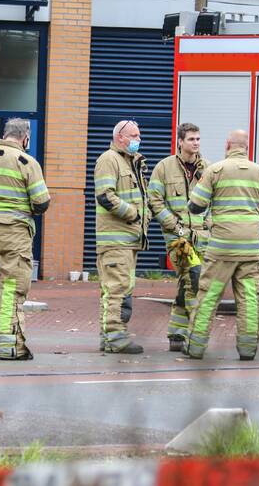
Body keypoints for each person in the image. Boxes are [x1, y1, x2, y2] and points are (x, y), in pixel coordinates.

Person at [184, 130, 259, 361]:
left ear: (228, 145)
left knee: (209, 296)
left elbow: (195, 206)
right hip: (251, 249)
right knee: (248, 299)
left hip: (221, 249)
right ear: (246, 147)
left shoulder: (215, 170)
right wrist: (254, 223)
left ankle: (195, 348)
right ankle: (247, 350)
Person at [0, 118, 50, 360]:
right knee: (11, 289)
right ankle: (11, 347)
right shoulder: (26, 162)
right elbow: (41, 202)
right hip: (14, 235)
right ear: (25, 137)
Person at [148, 123, 210, 352]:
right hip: (177, 238)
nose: (196, 143)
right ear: (180, 142)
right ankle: (195, 335)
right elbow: (154, 199)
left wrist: (209, 225)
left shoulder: (209, 169)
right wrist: (174, 226)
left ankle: (176, 334)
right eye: (192, 139)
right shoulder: (164, 168)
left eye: (198, 139)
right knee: (194, 277)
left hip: (202, 237)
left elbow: (214, 201)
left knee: (187, 284)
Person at [93, 119, 151, 354]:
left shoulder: (132, 162)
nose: (139, 140)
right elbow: (105, 196)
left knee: (118, 288)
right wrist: (134, 215)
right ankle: (116, 338)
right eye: (134, 136)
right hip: (116, 239)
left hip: (128, 239)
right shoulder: (109, 160)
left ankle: (109, 337)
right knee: (117, 288)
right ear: (120, 138)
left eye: (138, 136)